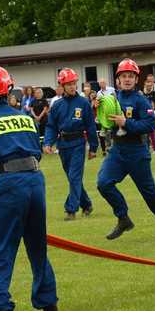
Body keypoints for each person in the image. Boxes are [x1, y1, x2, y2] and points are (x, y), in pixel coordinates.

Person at [0, 64, 59, 311]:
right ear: (9, 89)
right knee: (36, 246)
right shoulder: (25, 118)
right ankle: (49, 306)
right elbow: (37, 152)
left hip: (8, 185)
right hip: (35, 180)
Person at [97, 58, 155, 239]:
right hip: (117, 150)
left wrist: (127, 122)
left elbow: (149, 125)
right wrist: (100, 111)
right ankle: (123, 218)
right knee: (103, 183)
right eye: (123, 76)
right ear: (118, 79)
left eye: (131, 76)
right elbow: (106, 121)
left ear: (136, 79)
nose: (127, 79)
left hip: (137, 151)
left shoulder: (141, 100)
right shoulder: (112, 98)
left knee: (148, 192)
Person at [44, 68, 98, 220]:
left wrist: (93, 148)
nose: (73, 87)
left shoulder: (83, 103)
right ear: (62, 85)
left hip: (78, 144)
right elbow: (51, 126)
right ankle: (86, 204)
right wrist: (48, 142)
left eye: (74, 83)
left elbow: (91, 127)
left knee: (74, 177)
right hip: (63, 145)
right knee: (73, 178)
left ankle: (71, 209)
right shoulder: (57, 105)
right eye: (69, 84)